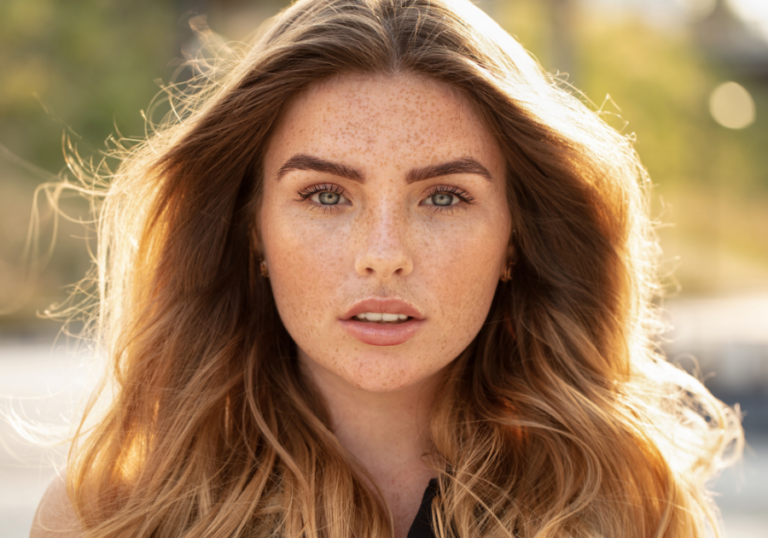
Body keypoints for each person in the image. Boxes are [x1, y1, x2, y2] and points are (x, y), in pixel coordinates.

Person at [30, 0, 742, 537]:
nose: (384, 254)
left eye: (443, 196)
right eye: (326, 195)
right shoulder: (108, 517)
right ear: (252, 230)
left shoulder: (629, 509)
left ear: (516, 238)